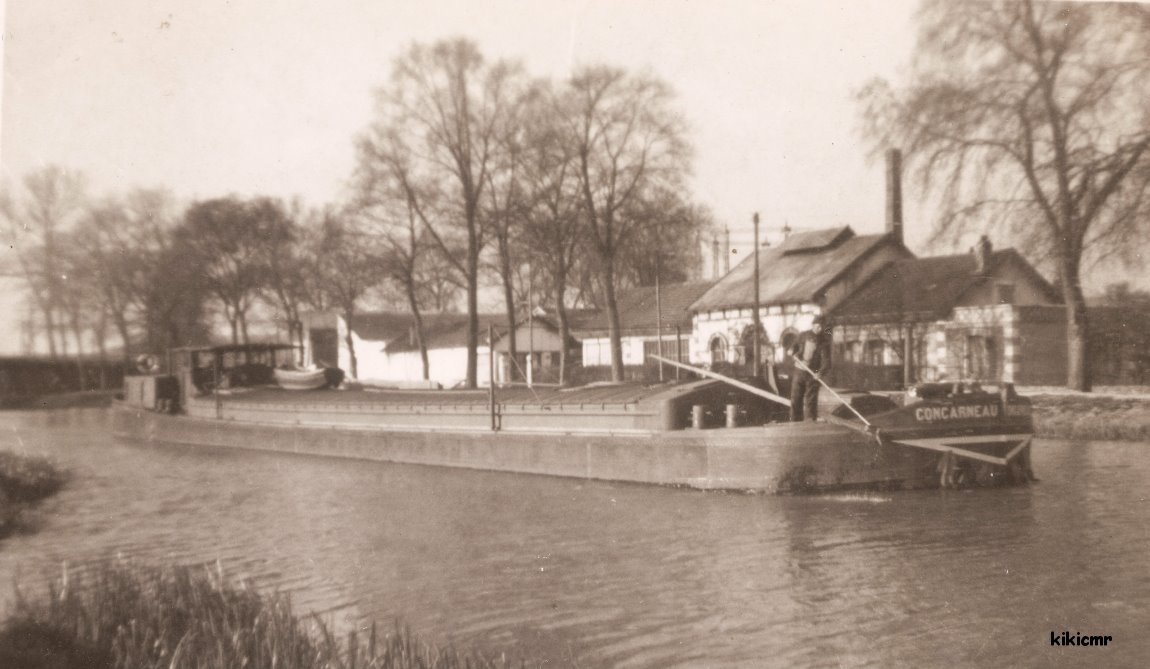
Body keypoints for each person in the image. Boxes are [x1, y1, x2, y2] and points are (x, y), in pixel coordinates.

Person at [789, 314, 831, 422]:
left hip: (812, 374)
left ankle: (810, 424)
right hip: (799, 371)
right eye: (817, 326)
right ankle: (794, 423)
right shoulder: (803, 335)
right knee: (795, 399)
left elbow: (826, 361)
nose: (819, 329)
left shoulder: (824, 342)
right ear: (812, 325)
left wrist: (820, 373)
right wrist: (791, 350)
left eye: (821, 327)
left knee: (810, 402)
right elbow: (794, 345)